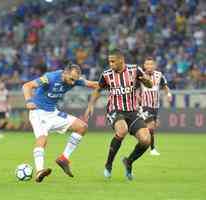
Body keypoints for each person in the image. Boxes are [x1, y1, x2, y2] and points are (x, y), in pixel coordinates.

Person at [22, 63, 98, 183]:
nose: (73, 83)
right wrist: (28, 101)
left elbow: (94, 84)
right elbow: (27, 86)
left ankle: (64, 158)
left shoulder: (75, 80)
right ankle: (39, 171)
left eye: (75, 80)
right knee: (42, 138)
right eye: (71, 79)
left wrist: (116, 85)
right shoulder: (50, 77)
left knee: (82, 127)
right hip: (38, 111)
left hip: (53, 113)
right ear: (65, 73)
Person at [84, 49, 153, 180]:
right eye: (109, 61)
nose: (110, 64)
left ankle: (129, 161)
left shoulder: (135, 70)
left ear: (121, 60)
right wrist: (90, 105)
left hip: (133, 111)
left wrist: (146, 80)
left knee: (146, 140)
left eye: (113, 61)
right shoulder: (106, 74)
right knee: (122, 130)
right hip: (115, 109)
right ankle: (108, 164)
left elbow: (149, 85)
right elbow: (98, 89)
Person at [138, 57, 172, 155]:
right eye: (147, 64)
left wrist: (168, 94)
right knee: (152, 126)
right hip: (145, 105)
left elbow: (165, 86)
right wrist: (137, 98)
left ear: (154, 66)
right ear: (144, 66)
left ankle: (144, 141)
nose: (149, 66)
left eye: (151, 64)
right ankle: (151, 149)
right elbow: (135, 88)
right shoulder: (140, 76)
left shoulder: (159, 75)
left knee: (151, 128)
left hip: (155, 106)